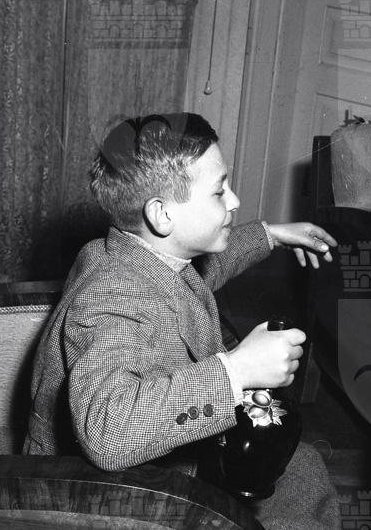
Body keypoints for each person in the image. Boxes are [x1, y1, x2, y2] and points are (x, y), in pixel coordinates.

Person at [24, 112, 340, 529]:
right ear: (161, 215)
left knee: (304, 469)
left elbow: (204, 269)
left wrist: (270, 234)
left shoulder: (131, 252)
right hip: (108, 497)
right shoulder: (111, 298)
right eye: (219, 191)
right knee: (300, 487)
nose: (234, 201)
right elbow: (108, 432)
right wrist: (237, 371)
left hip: (160, 457)